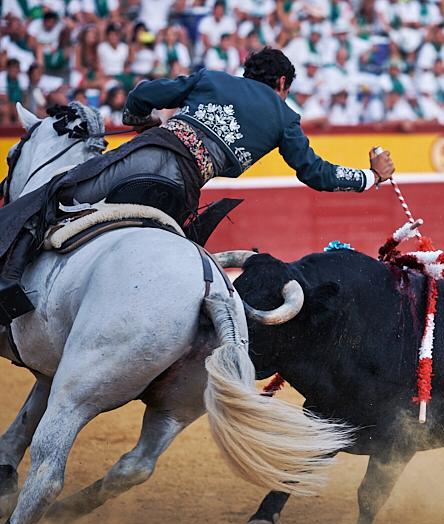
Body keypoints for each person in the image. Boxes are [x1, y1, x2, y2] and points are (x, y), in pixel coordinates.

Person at [0, 47, 396, 323]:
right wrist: (371, 176)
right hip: (182, 191)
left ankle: (8, 283)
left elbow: (143, 93)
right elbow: (317, 173)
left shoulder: (213, 79)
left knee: (55, 194)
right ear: (281, 82)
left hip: (147, 157)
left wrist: (140, 120)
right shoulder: (285, 118)